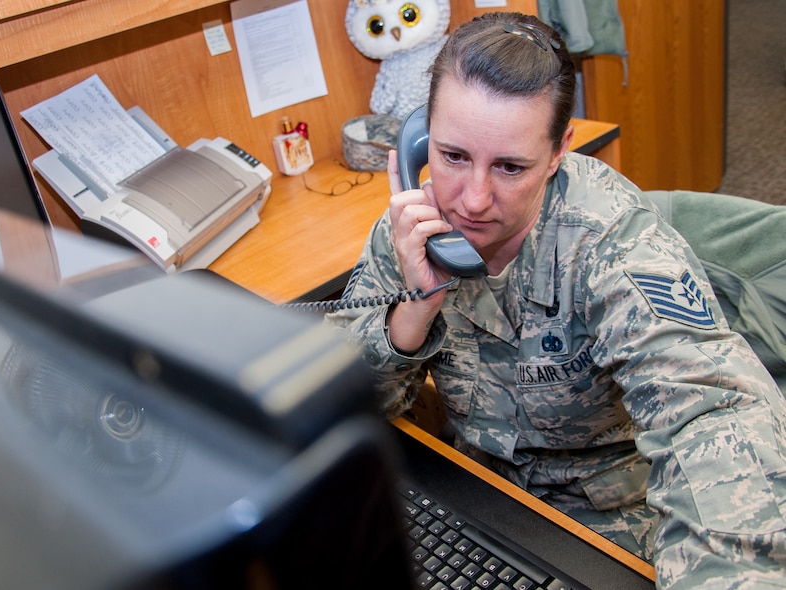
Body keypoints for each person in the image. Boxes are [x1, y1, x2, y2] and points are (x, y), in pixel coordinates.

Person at [326, 11, 786, 588]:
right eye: (452, 156)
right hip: (480, 495)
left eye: (511, 167)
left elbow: (711, 412)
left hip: (606, 520)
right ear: (419, 141)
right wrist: (413, 310)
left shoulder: (611, 243)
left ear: (558, 150)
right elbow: (337, 404)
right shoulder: (412, 229)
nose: (471, 200)